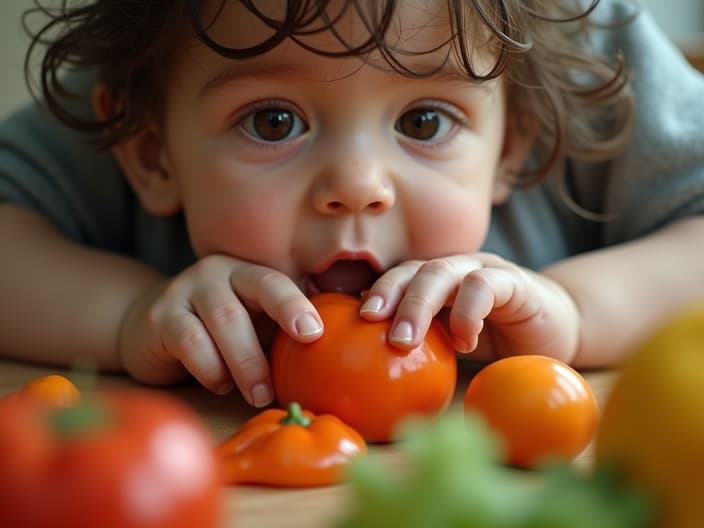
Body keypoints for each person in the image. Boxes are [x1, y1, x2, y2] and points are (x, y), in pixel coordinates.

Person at [0, 0, 702, 409]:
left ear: (513, 142)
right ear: (154, 154)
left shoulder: (578, 47)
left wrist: (577, 310)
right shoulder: (146, 70)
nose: (359, 184)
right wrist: (126, 313)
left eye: (424, 122)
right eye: (274, 121)